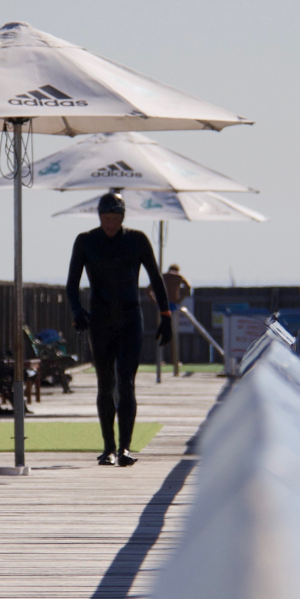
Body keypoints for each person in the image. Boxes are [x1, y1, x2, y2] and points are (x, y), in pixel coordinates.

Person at [67, 191, 172, 466]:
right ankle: (108, 448)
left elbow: (156, 279)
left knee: (126, 382)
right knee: (105, 384)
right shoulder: (86, 241)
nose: (110, 224)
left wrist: (166, 315)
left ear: (123, 217)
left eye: (115, 218)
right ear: (99, 217)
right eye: (105, 218)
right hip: (100, 321)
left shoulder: (136, 240)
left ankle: (125, 448)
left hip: (130, 320)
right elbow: (71, 285)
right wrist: (78, 311)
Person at [161, 263, 192, 376]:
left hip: (163, 305)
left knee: (163, 334)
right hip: (173, 304)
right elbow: (188, 286)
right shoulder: (178, 277)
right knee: (173, 335)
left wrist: (155, 301)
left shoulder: (163, 276)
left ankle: (162, 360)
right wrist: (180, 299)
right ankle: (174, 360)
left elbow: (150, 289)